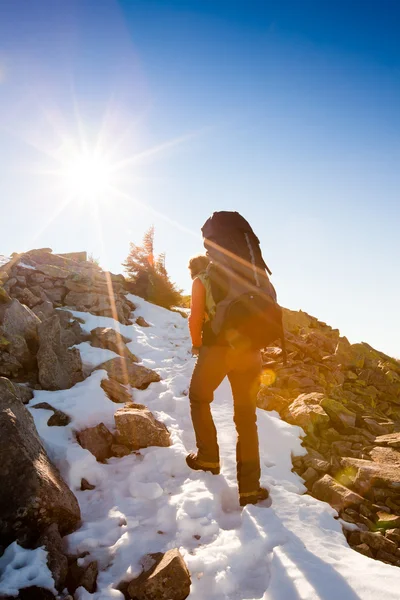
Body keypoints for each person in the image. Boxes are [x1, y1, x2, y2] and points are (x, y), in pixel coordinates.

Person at [187, 253, 269, 507]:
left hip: (217, 350)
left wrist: (197, 345)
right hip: (251, 353)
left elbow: (195, 318)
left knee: (199, 398)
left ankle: (208, 458)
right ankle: (249, 490)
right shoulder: (245, 276)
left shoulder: (202, 279)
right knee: (246, 419)